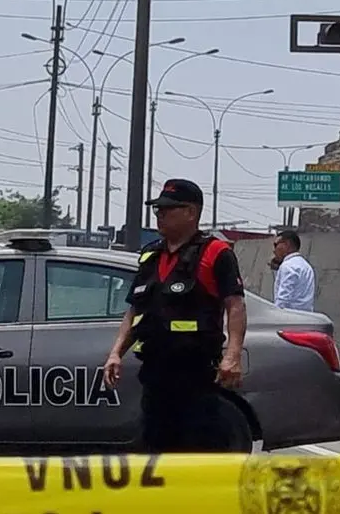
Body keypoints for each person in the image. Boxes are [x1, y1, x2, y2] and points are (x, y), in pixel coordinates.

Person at [102, 178, 248, 453]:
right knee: (155, 452)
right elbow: (135, 310)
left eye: (167, 209)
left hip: (196, 375)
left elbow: (235, 305)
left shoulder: (215, 253)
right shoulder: (151, 255)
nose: (160, 215)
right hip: (155, 375)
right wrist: (116, 352)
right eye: (158, 210)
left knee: (196, 451)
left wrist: (233, 355)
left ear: (191, 212)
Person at [271, 230, 316, 312]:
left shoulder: (288, 266)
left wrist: (275, 314)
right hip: (306, 317)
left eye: (276, 245)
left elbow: (283, 299)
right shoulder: (306, 266)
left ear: (287, 244)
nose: (274, 250)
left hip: (290, 318)